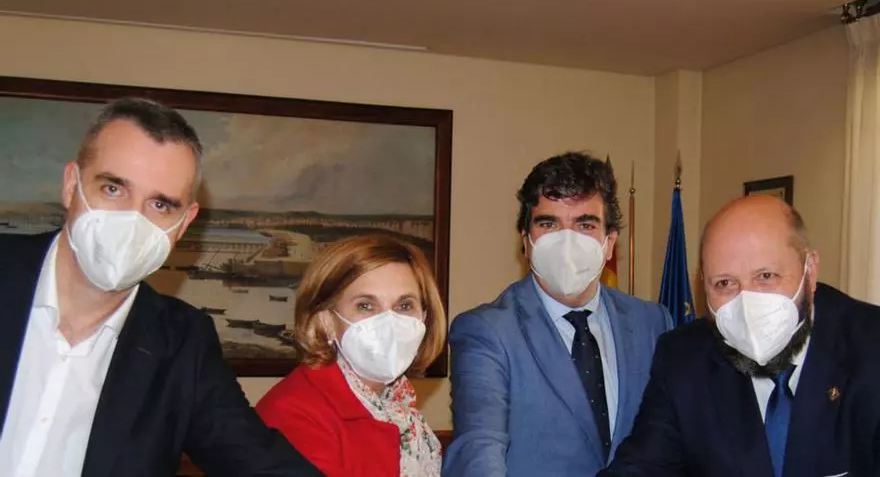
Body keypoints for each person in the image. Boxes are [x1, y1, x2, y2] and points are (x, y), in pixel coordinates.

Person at [0, 98, 322, 477]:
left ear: (184, 223)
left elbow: (258, 460)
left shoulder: (183, 344)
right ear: (72, 185)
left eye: (160, 205)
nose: (132, 221)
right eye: (113, 189)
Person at [600, 195, 880, 477]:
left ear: (810, 271)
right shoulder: (683, 358)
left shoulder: (871, 345)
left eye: (766, 276)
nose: (747, 305)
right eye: (724, 283)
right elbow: (641, 467)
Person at [443, 152, 673, 477]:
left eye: (585, 225)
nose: (567, 241)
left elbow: (672, 441)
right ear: (526, 242)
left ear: (609, 243)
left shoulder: (652, 323)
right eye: (549, 224)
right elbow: (478, 446)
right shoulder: (486, 331)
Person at [255, 234, 447, 477]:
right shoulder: (294, 413)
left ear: (424, 317)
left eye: (404, 306)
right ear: (326, 321)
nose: (389, 322)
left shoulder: (397, 408)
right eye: (365, 305)